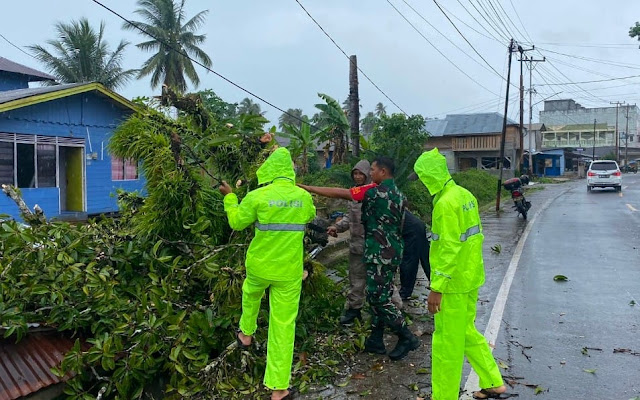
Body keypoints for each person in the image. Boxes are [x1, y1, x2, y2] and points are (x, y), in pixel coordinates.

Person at [219, 147, 316, 400]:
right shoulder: (303, 197)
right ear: (290, 172)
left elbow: (237, 223)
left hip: (260, 267)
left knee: (250, 294)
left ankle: (246, 334)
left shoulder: (257, 196)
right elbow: (311, 215)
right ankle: (279, 390)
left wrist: (230, 197)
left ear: (269, 170)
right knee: (283, 327)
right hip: (288, 272)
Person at [413, 148, 507, 400]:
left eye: (422, 178)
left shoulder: (444, 204)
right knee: (465, 332)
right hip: (470, 277)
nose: (422, 183)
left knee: (446, 343)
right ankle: (493, 381)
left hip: (452, 284)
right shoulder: (465, 195)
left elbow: (448, 247)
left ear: (429, 176)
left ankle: (444, 396)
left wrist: (437, 287)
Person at [298, 160, 403, 325]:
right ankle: (355, 311)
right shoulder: (360, 193)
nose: (358, 176)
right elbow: (349, 217)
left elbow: (339, 192)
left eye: (364, 173)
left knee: (382, 283)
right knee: (356, 280)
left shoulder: (372, 191)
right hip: (357, 245)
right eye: (355, 173)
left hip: (375, 248)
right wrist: (337, 227)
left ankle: (396, 313)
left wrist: (309, 188)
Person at [361, 156, 420, 361]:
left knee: (378, 298)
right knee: (382, 294)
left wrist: (308, 188)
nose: (370, 173)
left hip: (379, 253)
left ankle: (406, 336)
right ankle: (376, 340)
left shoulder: (375, 194)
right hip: (393, 251)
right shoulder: (399, 194)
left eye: (373, 170)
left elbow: (350, 196)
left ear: (383, 172)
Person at [398, 210, 430, 300]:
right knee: (425, 258)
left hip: (412, 229)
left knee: (409, 261)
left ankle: (405, 293)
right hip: (415, 226)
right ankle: (437, 285)